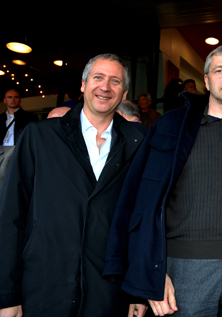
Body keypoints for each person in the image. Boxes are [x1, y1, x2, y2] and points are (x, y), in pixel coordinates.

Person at [103, 45, 222, 316]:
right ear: (206, 80)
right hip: (184, 267)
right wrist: (151, 273)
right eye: (219, 70)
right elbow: (140, 203)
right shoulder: (169, 127)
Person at [0, 53, 148, 317]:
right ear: (83, 84)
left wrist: (138, 291)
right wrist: (6, 295)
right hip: (43, 289)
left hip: (108, 293)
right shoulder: (40, 136)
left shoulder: (138, 143)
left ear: (124, 93)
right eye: (98, 78)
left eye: (115, 81)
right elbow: (11, 216)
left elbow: (142, 222)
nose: (105, 87)